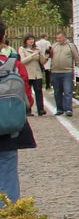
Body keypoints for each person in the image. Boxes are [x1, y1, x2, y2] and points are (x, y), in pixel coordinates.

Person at [0, 24, 38, 204]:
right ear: (3, 38)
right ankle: (8, 213)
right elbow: (27, 99)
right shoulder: (13, 65)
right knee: (7, 174)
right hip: (8, 131)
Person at [47, 30, 79, 118]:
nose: (58, 40)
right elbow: (49, 56)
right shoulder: (54, 46)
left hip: (67, 72)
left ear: (64, 37)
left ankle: (68, 109)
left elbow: (77, 57)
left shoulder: (71, 46)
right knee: (57, 92)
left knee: (67, 91)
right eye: (57, 38)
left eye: (60, 38)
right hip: (55, 72)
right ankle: (59, 109)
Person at [19, 34, 48, 116]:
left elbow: (42, 62)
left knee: (39, 91)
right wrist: (33, 54)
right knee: (27, 93)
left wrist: (43, 55)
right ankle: (28, 109)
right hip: (27, 74)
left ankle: (40, 109)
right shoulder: (22, 49)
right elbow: (22, 61)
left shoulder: (36, 49)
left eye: (32, 39)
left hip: (37, 74)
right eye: (29, 39)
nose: (31, 41)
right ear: (25, 41)